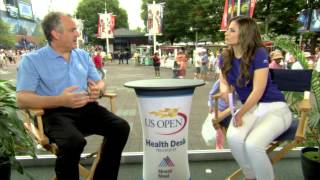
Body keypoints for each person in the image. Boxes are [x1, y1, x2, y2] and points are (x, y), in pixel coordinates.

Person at [16, 12, 130, 180]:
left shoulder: (82, 55)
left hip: (86, 109)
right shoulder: (32, 61)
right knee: (73, 142)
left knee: (121, 127)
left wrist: (97, 90)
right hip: (53, 113)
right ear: (56, 33)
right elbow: (22, 99)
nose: (78, 34)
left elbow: (99, 83)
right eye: (73, 30)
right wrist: (60, 100)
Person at [220, 16, 292, 180]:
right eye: (228, 29)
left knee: (253, 145)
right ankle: (251, 176)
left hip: (275, 108)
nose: (226, 33)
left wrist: (239, 113)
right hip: (252, 109)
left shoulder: (259, 53)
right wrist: (225, 89)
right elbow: (223, 81)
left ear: (244, 34)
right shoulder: (224, 57)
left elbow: (258, 91)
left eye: (232, 30)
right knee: (233, 138)